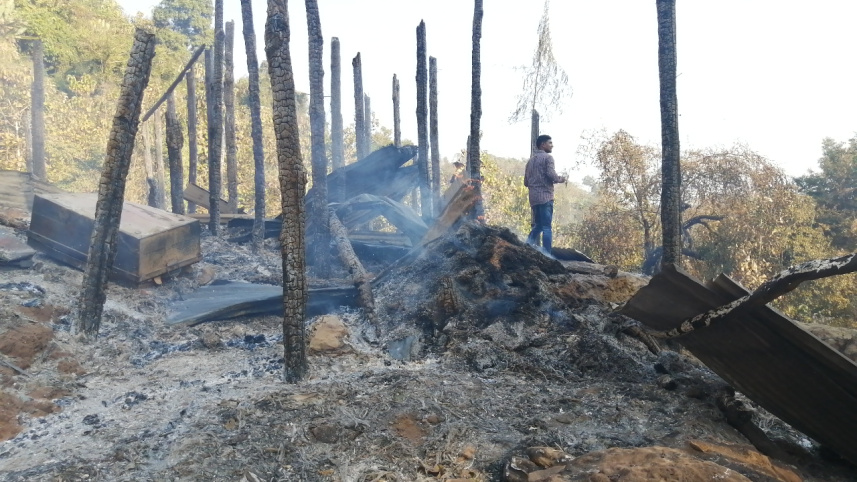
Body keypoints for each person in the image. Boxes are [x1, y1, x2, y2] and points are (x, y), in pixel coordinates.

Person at [524, 134, 567, 255]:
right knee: (547, 227)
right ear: (543, 145)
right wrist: (561, 179)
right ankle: (547, 255)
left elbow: (526, 182)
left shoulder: (530, 162)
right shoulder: (548, 158)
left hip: (534, 199)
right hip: (545, 197)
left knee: (538, 226)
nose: (552, 145)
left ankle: (526, 247)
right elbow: (551, 175)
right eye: (550, 143)